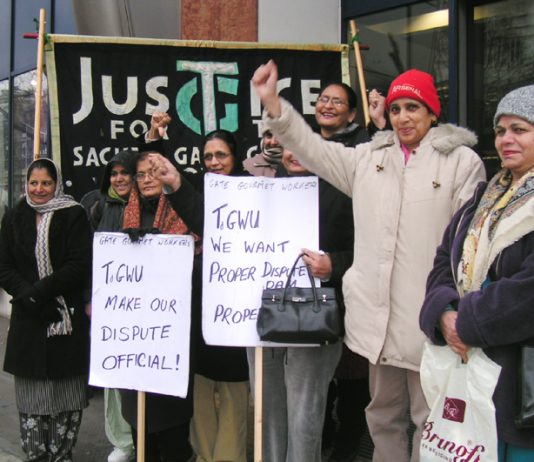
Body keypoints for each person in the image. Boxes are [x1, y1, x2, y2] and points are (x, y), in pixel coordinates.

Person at [251, 60, 486, 462]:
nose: (402, 117)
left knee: (433, 427)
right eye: (395, 109)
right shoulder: (366, 160)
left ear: (432, 112)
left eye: (413, 107)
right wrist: (274, 105)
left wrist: (455, 309)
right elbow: (313, 148)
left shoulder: (462, 163)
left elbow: (470, 249)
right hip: (378, 327)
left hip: (430, 323)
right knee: (382, 419)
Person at [420, 85, 534, 461]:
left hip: (520, 380)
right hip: (471, 370)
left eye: (520, 129)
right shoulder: (482, 197)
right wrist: (443, 313)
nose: (506, 139)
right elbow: (442, 263)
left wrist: (465, 322)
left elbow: (528, 292)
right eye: (501, 131)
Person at [246, 145, 353, 462]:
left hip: (313, 321)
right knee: (267, 410)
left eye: (300, 144)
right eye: (286, 145)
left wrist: (334, 264)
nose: (294, 153)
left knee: (306, 412)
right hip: (261, 318)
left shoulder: (341, 194)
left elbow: (369, 250)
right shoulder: (258, 193)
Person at [0, 158, 92, 461]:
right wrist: (30, 297)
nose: (39, 189)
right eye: (34, 182)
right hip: (29, 319)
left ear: (57, 184)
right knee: (32, 398)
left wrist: (40, 293)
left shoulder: (74, 214)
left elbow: (79, 264)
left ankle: (61, 455)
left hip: (65, 318)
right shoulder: (14, 216)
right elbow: (4, 266)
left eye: (46, 183)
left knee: (65, 398)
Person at [119, 150, 203, 462]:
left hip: (171, 338)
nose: (146, 180)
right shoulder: (123, 214)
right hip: (132, 336)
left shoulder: (183, 214)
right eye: (140, 175)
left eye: (153, 173)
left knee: (171, 430)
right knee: (140, 427)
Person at [312, 81, 372, 462]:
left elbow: (373, 238)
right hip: (302, 298)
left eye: (339, 102)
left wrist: (336, 263)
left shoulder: (362, 159)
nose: (328, 105)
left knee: (353, 387)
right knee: (318, 388)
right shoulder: (298, 157)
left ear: (352, 113)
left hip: (348, 292)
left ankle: (349, 452)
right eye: (323, 99)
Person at [189, 130, 249, 462]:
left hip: (237, 308)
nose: (214, 162)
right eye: (208, 156)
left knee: (234, 391)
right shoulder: (195, 189)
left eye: (221, 155)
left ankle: (229, 457)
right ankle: (204, 455)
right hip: (200, 305)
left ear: (234, 156)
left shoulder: (252, 187)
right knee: (199, 391)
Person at [82, 150, 136, 462]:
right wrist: (90, 297)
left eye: (124, 172)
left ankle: (139, 436)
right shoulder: (97, 205)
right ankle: (121, 441)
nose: (119, 178)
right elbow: (87, 257)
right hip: (109, 304)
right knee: (114, 372)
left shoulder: (148, 202)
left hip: (143, 304)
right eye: (114, 173)